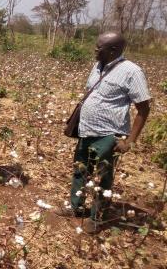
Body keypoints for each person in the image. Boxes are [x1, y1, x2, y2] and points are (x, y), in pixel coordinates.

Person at [55, 32, 151, 234]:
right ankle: (76, 207)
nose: (95, 50)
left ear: (113, 50)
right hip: (86, 131)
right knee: (80, 170)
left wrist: (129, 141)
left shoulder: (132, 72)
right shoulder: (97, 66)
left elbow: (143, 109)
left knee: (102, 177)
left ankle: (96, 218)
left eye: (99, 48)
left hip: (109, 135)